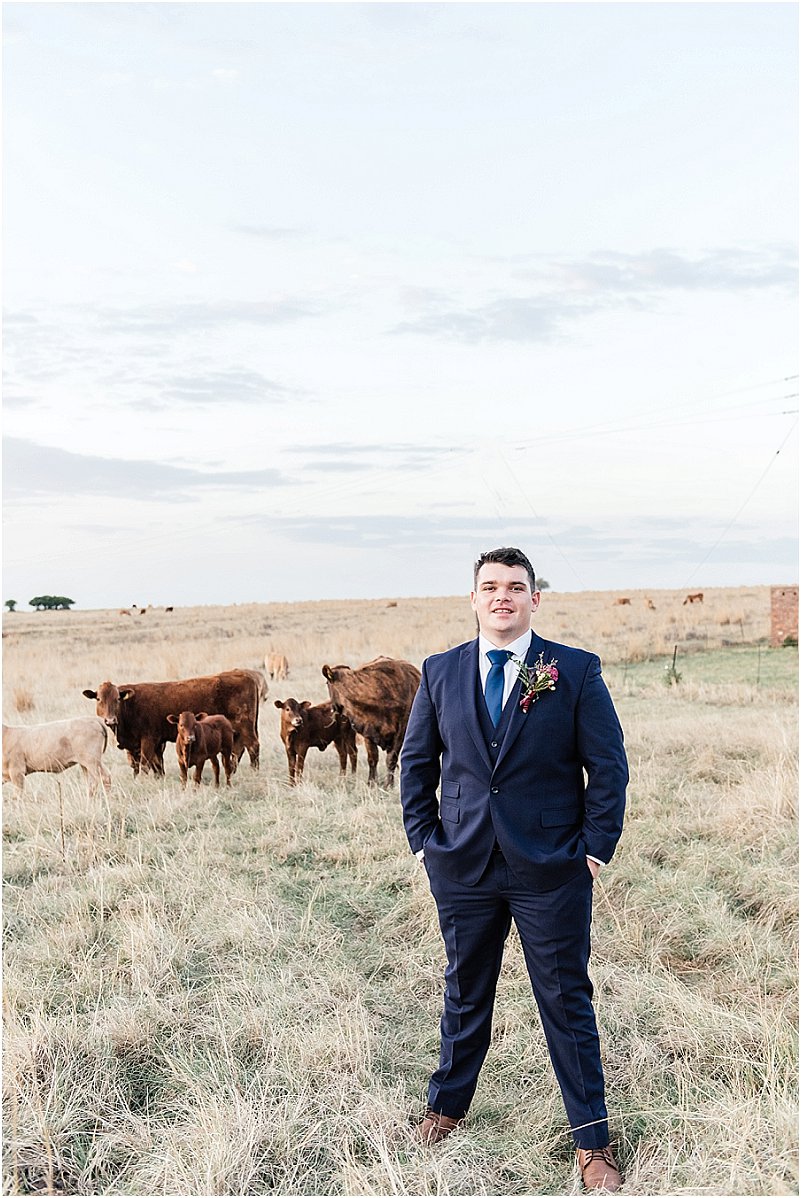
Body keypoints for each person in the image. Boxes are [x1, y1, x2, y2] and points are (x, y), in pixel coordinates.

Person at [400, 546, 628, 1193]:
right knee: (464, 992)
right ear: (472, 599)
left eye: (515, 587)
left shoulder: (573, 671)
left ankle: (592, 1143)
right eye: (490, 586)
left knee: (565, 1000)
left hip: (551, 871)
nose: (502, 596)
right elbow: (416, 765)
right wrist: (425, 845)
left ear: (535, 599)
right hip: (463, 868)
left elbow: (607, 768)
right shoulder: (440, 671)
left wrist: (591, 849)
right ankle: (445, 1108)